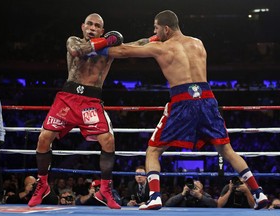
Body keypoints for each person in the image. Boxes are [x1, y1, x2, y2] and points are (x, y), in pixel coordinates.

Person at [102, 10, 269, 210]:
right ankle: (258, 194)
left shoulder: (161, 48)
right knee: (227, 149)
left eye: (156, 28)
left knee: (153, 150)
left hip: (182, 101)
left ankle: (155, 197)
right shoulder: (198, 43)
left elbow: (122, 52)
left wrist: (96, 46)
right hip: (207, 99)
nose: (154, 32)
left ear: (165, 28)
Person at [28, 13, 123, 209]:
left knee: (108, 140)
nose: (92, 27)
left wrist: (157, 39)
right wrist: (105, 41)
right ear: (82, 26)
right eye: (89, 24)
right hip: (67, 99)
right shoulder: (73, 40)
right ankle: (43, 184)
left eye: (97, 26)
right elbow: (77, 51)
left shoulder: (109, 49)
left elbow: (136, 47)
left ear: (101, 30)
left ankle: (105, 189)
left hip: (90, 100)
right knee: (44, 138)